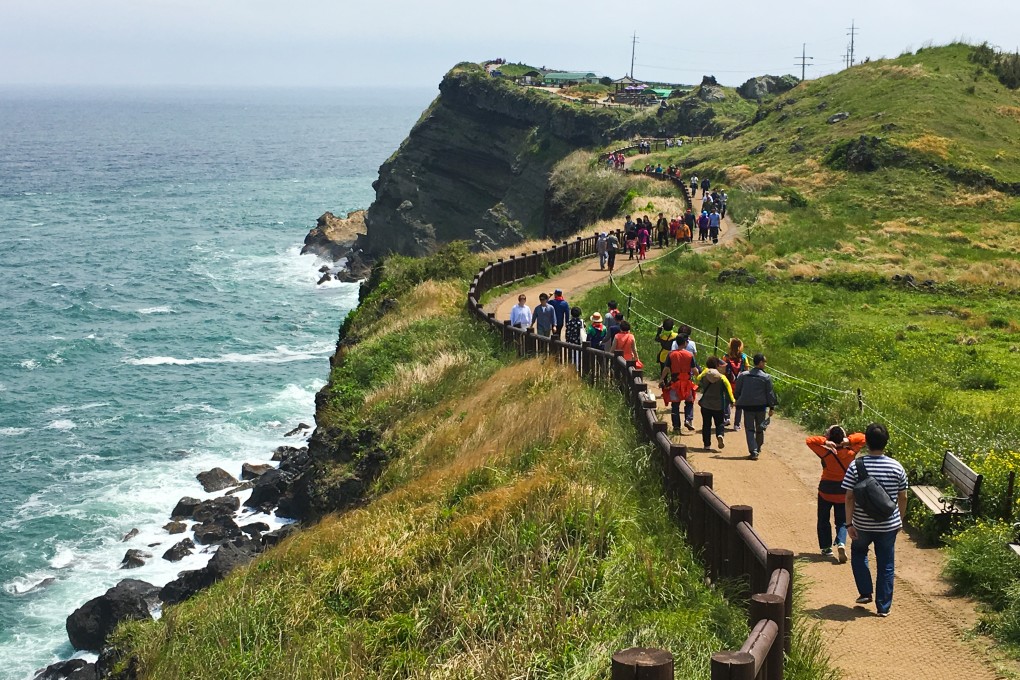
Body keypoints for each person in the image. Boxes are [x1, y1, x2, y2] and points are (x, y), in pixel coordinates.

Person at [841, 423, 909, 617]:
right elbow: (903, 497)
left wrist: (849, 524)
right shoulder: (897, 467)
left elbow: (849, 497)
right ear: (886, 442)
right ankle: (883, 607)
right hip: (888, 524)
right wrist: (899, 521)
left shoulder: (856, 465)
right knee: (886, 563)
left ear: (866, 442)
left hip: (862, 524)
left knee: (859, 553)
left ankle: (865, 592)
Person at [806, 425, 867, 563]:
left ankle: (826, 548)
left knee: (823, 519)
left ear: (829, 438)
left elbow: (809, 440)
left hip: (825, 490)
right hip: (843, 491)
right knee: (842, 521)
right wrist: (849, 441)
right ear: (843, 437)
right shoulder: (851, 452)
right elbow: (864, 437)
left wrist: (824, 441)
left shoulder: (825, 452)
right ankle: (841, 543)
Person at [733, 353, 778, 460]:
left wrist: (740, 400)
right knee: (760, 428)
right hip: (761, 408)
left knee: (749, 429)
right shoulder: (766, 377)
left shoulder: (743, 375)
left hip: (747, 407)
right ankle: (757, 447)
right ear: (761, 363)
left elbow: (737, 391)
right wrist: (772, 407)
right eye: (764, 362)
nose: (765, 364)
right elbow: (770, 394)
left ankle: (753, 450)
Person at [661, 334, 697, 432]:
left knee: (675, 405)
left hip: (675, 383)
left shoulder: (671, 354)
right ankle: (688, 419)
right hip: (687, 384)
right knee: (689, 402)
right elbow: (694, 369)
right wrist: (699, 377)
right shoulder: (690, 355)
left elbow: (666, 368)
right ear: (685, 343)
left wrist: (661, 379)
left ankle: (676, 427)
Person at [697, 357, 734, 450]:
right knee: (719, 423)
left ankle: (707, 445)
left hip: (705, 404)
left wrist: (705, 371)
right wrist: (732, 401)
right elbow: (728, 390)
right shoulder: (722, 378)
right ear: (717, 365)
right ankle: (720, 435)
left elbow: (698, 379)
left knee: (706, 425)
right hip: (718, 405)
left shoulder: (704, 376)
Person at [723, 338, 749, 430]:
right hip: (740, 383)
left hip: (729, 382)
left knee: (726, 400)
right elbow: (746, 370)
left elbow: (723, 370)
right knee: (739, 403)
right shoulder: (744, 357)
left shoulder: (726, 356)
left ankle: (726, 417)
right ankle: (736, 424)